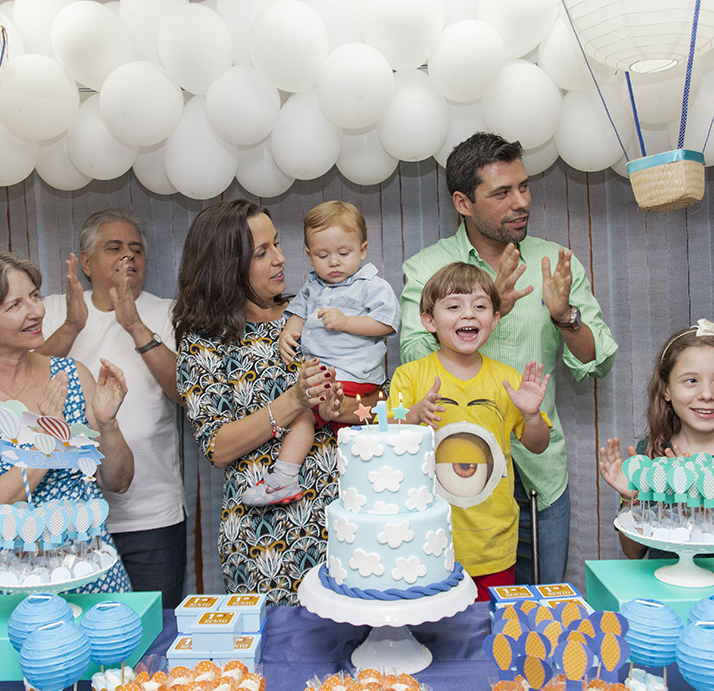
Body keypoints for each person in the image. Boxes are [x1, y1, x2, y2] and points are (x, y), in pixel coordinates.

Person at [399, 132, 617, 585]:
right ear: (463, 202)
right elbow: (414, 359)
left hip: (539, 470)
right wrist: (487, 307)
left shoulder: (555, 262)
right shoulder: (425, 268)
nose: (521, 202)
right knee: (457, 605)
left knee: (537, 609)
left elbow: (597, 361)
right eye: (501, 193)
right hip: (453, 473)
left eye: (524, 187)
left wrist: (564, 316)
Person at [0, 250, 134, 613]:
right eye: (15, 305)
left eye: (35, 296)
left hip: (85, 575)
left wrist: (108, 424)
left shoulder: (71, 375)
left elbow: (118, 481)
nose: (36, 311)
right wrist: (47, 444)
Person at [172, 199, 346, 605]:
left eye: (277, 244)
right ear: (227, 265)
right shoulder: (204, 345)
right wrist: (294, 400)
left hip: (344, 526)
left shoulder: (312, 315)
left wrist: (347, 405)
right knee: (280, 645)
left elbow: (370, 391)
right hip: (266, 545)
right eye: (262, 252)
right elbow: (218, 447)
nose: (281, 258)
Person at [40, 210, 187, 609]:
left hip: (151, 517)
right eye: (115, 248)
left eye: (136, 249)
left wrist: (136, 326)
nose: (128, 256)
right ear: (86, 263)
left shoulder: (167, 312)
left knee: (155, 629)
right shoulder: (54, 310)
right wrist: (71, 327)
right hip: (67, 516)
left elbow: (187, 394)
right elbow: (22, 386)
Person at [389, 262, 551, 601]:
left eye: (480, 306)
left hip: (493, 543)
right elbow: (387, 439)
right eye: (454, 306)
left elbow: (537, 445)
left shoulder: (508, 380)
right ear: (429, 321)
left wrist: (531, 415)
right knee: (436, 627)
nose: (468, 314)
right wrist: (415, 414)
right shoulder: (409, 377)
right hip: (426, 540)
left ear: (495, 319)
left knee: (486, 628)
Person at [600, 321, 714, 566]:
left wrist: (702, 505)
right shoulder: (653, 451)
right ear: (666, 390)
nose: (707, 394)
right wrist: (634, 499)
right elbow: (633, 552)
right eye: (691, 381)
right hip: (664, 585)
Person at [256, 201, 399, 507]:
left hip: (355, 375)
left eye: (344, 253)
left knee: (303, 414)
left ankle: (284, 476)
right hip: (327, 376)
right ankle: (363, 492)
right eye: (323, 256)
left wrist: (347, 322)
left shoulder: (371, 286)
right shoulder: (312, 286)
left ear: (362, 250)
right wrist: (287, 335)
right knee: (345, 438)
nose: (334, 262)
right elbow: (297, 314)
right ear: (309, 256)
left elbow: (386, 323)